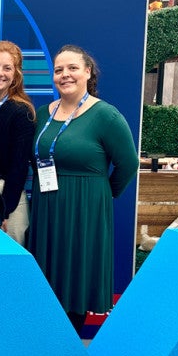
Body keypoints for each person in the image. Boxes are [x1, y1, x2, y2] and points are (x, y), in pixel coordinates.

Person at [27, 44, 139, 337]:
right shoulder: (43, 113)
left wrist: (100, 195)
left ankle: (70, 353)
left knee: (74, 284)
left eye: (72, 68)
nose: (65, 75)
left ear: (88, 72)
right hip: (47, 209)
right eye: (59, 70)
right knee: (47, 285)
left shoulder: (105, 116)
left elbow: (128, 163)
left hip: (84, 213)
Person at [0, 41, 36, 244]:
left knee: (9, 263)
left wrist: (5, 211)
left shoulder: (21, 112)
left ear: (16, 75)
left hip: (5, 196)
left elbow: (19, 166)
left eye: (7, 68)